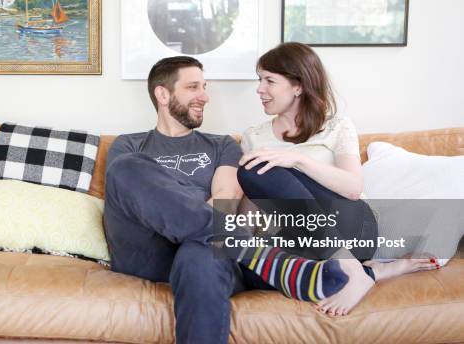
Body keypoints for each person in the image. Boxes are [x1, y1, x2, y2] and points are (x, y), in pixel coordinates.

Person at [104, 56, 352, 344]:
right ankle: (264, 259)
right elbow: (130, 198)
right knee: (125, 168)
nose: (205, 97)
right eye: (193, 87)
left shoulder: (222, 145)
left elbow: (226, 199)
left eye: (204, 87)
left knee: (202, 253)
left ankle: (245, 250)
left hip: (211, 249)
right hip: (148, 250)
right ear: (162, 94)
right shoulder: (130, 145)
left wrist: (188, 225)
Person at [237, 42, 439, 317]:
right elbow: (255, 204)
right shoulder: (254, 136)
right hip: (300, 236)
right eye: (259, 80)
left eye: (269, 80)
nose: (260, 89)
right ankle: (371, 272)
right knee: (253, 266)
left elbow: (354, 188)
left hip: (350, 225)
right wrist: (247, 236)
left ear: (298, 85)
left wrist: (298, 160)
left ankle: (350, 266)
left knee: (266, 168)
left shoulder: (336, 126)